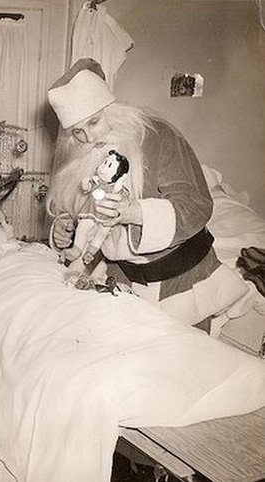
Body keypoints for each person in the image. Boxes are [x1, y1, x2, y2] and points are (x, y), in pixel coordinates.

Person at [45, 58, 247, 326]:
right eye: (78, 132)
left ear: (111, 109)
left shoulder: (159, 135)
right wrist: (66, 230)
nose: (89, 138)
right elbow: (84, 213)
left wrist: (135, 212)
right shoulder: (82, 153)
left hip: (180, 279)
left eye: (93, 122)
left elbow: (196, 206)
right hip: (122, 277)